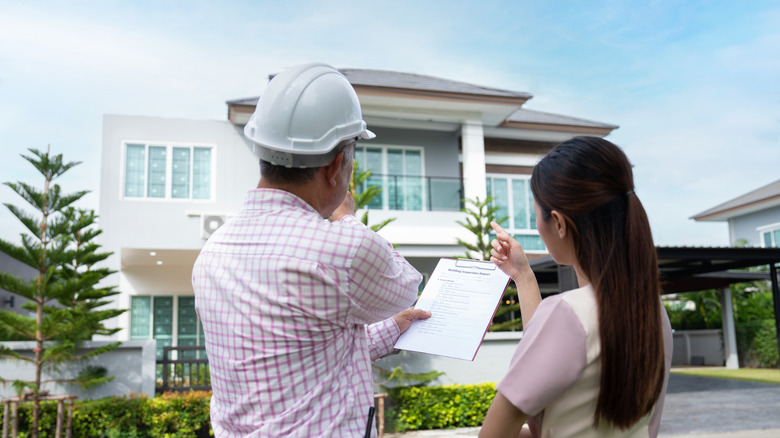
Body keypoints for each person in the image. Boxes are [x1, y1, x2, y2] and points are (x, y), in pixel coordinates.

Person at [192, 63, 429, 437]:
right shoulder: (340, 249)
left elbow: (298, 352)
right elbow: (406, 288)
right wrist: (348, 218)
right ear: (336, 166)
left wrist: (393, 330)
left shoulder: (213, 253)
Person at [479, 136, 673, 438]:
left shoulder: (568, 312)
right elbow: (554, 351)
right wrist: (522, 275)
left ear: (558, 222)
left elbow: (494, 434)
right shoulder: (653, 311)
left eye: (537, 214)